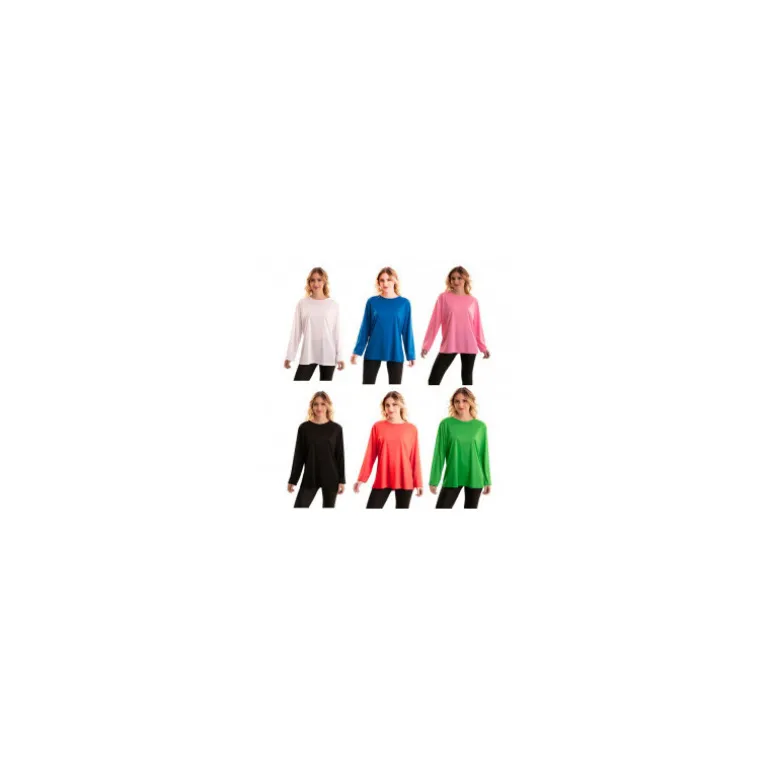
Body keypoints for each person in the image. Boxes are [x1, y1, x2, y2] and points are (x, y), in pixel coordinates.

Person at [421, 266, 490, 386]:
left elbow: (477, 327)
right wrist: (427, 345)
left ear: (465, 279)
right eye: (453, 278)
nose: (456, 281)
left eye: (459, 278)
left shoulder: (473, 301)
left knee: (467, 381)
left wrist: (483, 347)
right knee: (434, 380)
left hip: (469, 344)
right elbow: (434, 322)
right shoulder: (443, 298)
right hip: (450, 343)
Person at [354, 391, 423, 508]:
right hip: (383, 478)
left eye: (394, 404)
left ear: (401, 405)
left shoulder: (411, 429)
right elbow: (370, 454)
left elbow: (414, 458)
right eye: (387, 405)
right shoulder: (378, 427)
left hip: (405, 480)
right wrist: (362, 478)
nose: (390, 408)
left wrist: (418, 483)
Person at [351, 267, 415, 385]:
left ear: (395, 280)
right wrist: (357, 351)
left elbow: (407, 331)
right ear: (378, 282)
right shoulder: (372, 302)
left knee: (395, 386)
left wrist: (410, 354)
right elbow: (365, 328)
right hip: (373, 349)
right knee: (367, 385)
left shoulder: (404, 303)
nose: (385, 283)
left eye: (388, 280)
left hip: (395, 350)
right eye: (382, 280)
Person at [429, 388, 491, 509]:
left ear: (471, 402)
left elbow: (484, 455)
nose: (460, 405)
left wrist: (487, 480)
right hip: (453, 475)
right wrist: (434, 480)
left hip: (475, 476)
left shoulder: (480, 426)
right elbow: (439, 454)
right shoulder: (446, 424)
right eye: (457, 401)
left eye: (464, 401)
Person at [284, 267, 345, 381]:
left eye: (319, 280)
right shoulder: (302, 304)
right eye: (312, 280)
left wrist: (339, 356)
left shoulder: (333, 305)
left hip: (328, 354)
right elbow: (296, 332)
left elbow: (337, 333)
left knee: (326, 387)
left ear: (324, 281)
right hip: (308, 354)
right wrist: (290, 355)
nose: (316, 283)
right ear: (309, 282)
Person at [288, 391, 345, 508]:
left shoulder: (336, 429)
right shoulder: (304, 428)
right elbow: (299, 456)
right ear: (312, 406)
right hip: (310, 476)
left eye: (323, 404)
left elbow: (340, 455)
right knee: (300, 507)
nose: (319, 408)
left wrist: (342, 480)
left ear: (328, 406)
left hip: (331, 477)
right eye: (316, 404)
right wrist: (293, 480)